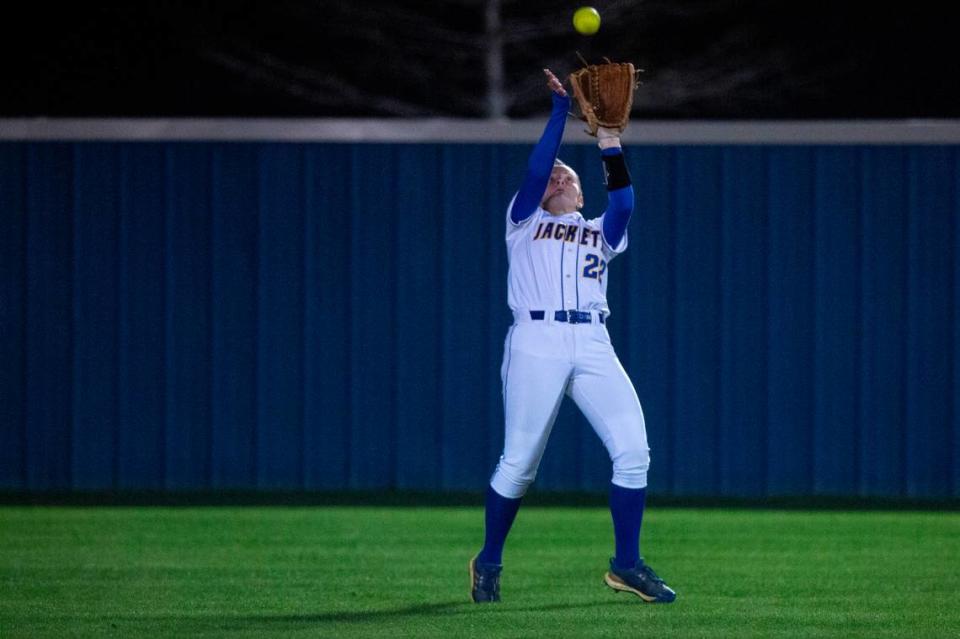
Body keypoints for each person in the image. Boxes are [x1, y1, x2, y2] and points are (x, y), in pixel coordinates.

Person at [469, 68, 676, 604]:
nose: (559, 180)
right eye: (554, 178)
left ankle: (626, 565)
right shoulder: (523, 222)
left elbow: (625, 204)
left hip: (592, 343)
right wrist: (560, 114)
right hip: (536, 341)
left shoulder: (598, 233)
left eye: (568, 178)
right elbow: (537, 169)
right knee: (519, 465)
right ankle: (489, 560)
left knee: (634, 452)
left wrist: (609, 142)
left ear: (583, 193)